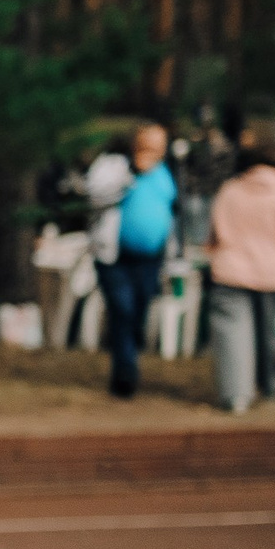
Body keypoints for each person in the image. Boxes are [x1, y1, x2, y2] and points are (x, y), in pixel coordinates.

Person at [206, 141, 275, 413]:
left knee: (232, 335)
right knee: (268, 334)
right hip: (270, 274)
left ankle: (236, 395)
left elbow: (215, 231)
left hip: (229, 272)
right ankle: (271, 385)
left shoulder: (229, 190)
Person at [91, 121, 179, 399]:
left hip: (150, 258)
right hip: (114, 256)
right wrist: (131, 174)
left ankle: (128, 355)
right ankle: (125, 376)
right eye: (147, 144)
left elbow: (173, 212)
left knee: (138, 310)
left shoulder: (169, 173)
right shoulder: (113, 166)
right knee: (123, 309)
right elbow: (95, 196)